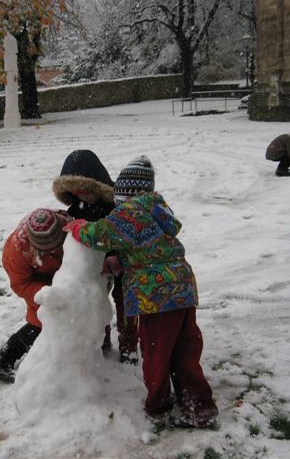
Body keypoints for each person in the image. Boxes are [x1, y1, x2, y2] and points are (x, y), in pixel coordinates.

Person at [64, 156, 218, 428]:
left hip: (156, 298)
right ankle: (199, 405)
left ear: (127, 193)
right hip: (182, 291)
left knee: (156, 354)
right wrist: (120, 262)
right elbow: (152, 248)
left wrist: (76, 225)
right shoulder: (156, 209)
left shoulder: (130, 212)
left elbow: (98, 234)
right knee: (185, 351)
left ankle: (158, 406)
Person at [52, 149, 139, 363]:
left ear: (97, 185)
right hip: (95, 267)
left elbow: (127, 236)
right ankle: (102, 339)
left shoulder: (115, 207)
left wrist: (118, 259)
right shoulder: (76, 209)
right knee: (96, 300)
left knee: (125, 302)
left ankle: (129, 347)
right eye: (74, 190)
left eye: (86, 189)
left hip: (122, 262)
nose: (81, 195)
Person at [0, 208, 71, 383]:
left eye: (55, 246)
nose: (51, 250)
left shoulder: (67, 227)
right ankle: (2, 361)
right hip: (34, 279)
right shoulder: (17, 249)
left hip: (61, 273)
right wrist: (46, 292)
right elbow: (21, 285)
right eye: (45, 249)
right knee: (39, 318)